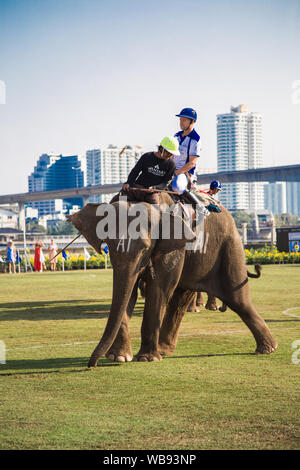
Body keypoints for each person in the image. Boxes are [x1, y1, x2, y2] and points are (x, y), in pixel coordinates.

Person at [121, 136, 178, 204]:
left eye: (171, 154)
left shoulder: (171, 164)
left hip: (152, 193)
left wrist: (155, 188)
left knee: (156, 209)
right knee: (121, 196)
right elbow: (135, 171)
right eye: (168, 153)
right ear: (161, 148)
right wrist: (128, 182)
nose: (169, 155)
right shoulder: (147, 156)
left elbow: (165, 182)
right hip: (138, 188)